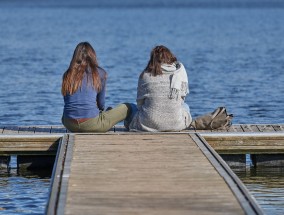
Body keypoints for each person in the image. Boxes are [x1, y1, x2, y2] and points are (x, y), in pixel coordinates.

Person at [61, 42, 131, 132]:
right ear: (92, 55)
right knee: (128, 107)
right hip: (92, 125)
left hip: (69, 123)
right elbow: (101, 104)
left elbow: (68, 101)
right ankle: (134, 127)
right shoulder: (100, 73)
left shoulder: (67, 74)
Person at [126, 45, 192, 131]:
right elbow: (181, 100)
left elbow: (140, 103)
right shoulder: (178, 74)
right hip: (176, 124)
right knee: (185, 106)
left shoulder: (145, 75)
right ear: (170, 57)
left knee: (131, 109)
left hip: (147, 124)